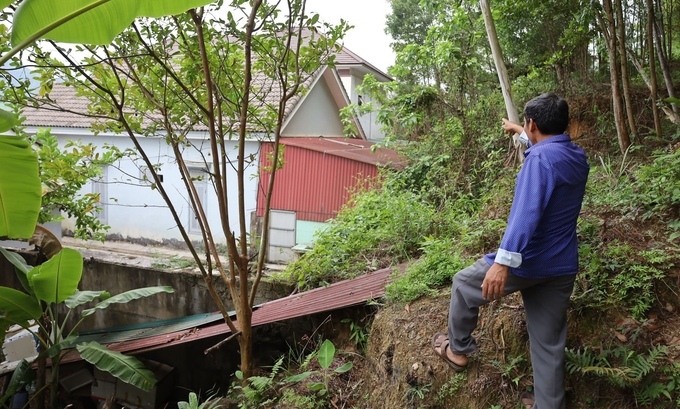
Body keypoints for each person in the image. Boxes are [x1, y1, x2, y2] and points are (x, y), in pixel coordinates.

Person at [431, 93, 589, 409]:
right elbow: (547, 152)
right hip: (561, 267)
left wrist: (503, 263)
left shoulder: (539, 163)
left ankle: (458, 350)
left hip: (528, 262)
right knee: (548, 344)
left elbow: (526, 215)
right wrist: (520, 131)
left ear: (534, 124)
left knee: (463, 284)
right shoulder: (576, 156)